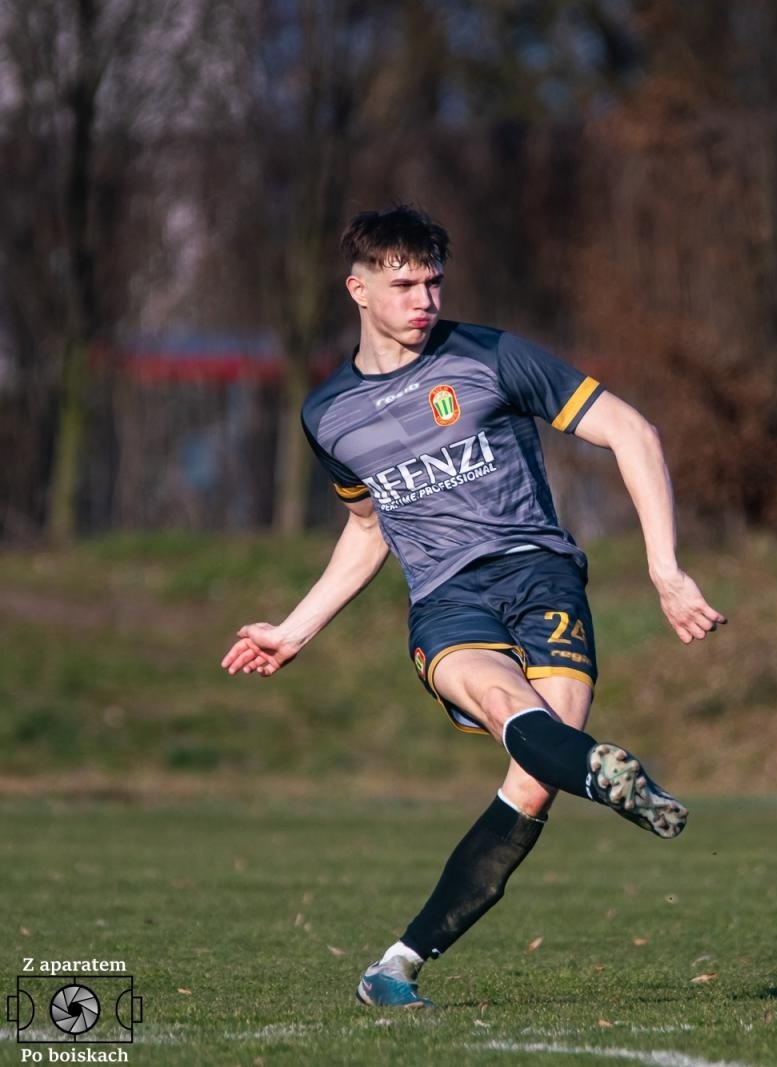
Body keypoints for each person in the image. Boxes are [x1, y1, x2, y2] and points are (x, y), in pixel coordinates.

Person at [221, 205, 726, 1009]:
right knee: (504, 704)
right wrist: (294, 628)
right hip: (446, 600)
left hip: (542, 575)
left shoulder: (491, 355)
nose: (424, 297)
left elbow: (633, 431)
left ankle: (395, 965)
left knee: (532, 781)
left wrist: (666, 570)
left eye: (433, 280)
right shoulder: (328, 415)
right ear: (358, 288)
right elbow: (367, 527)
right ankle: (607, 775)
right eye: (403, 283)